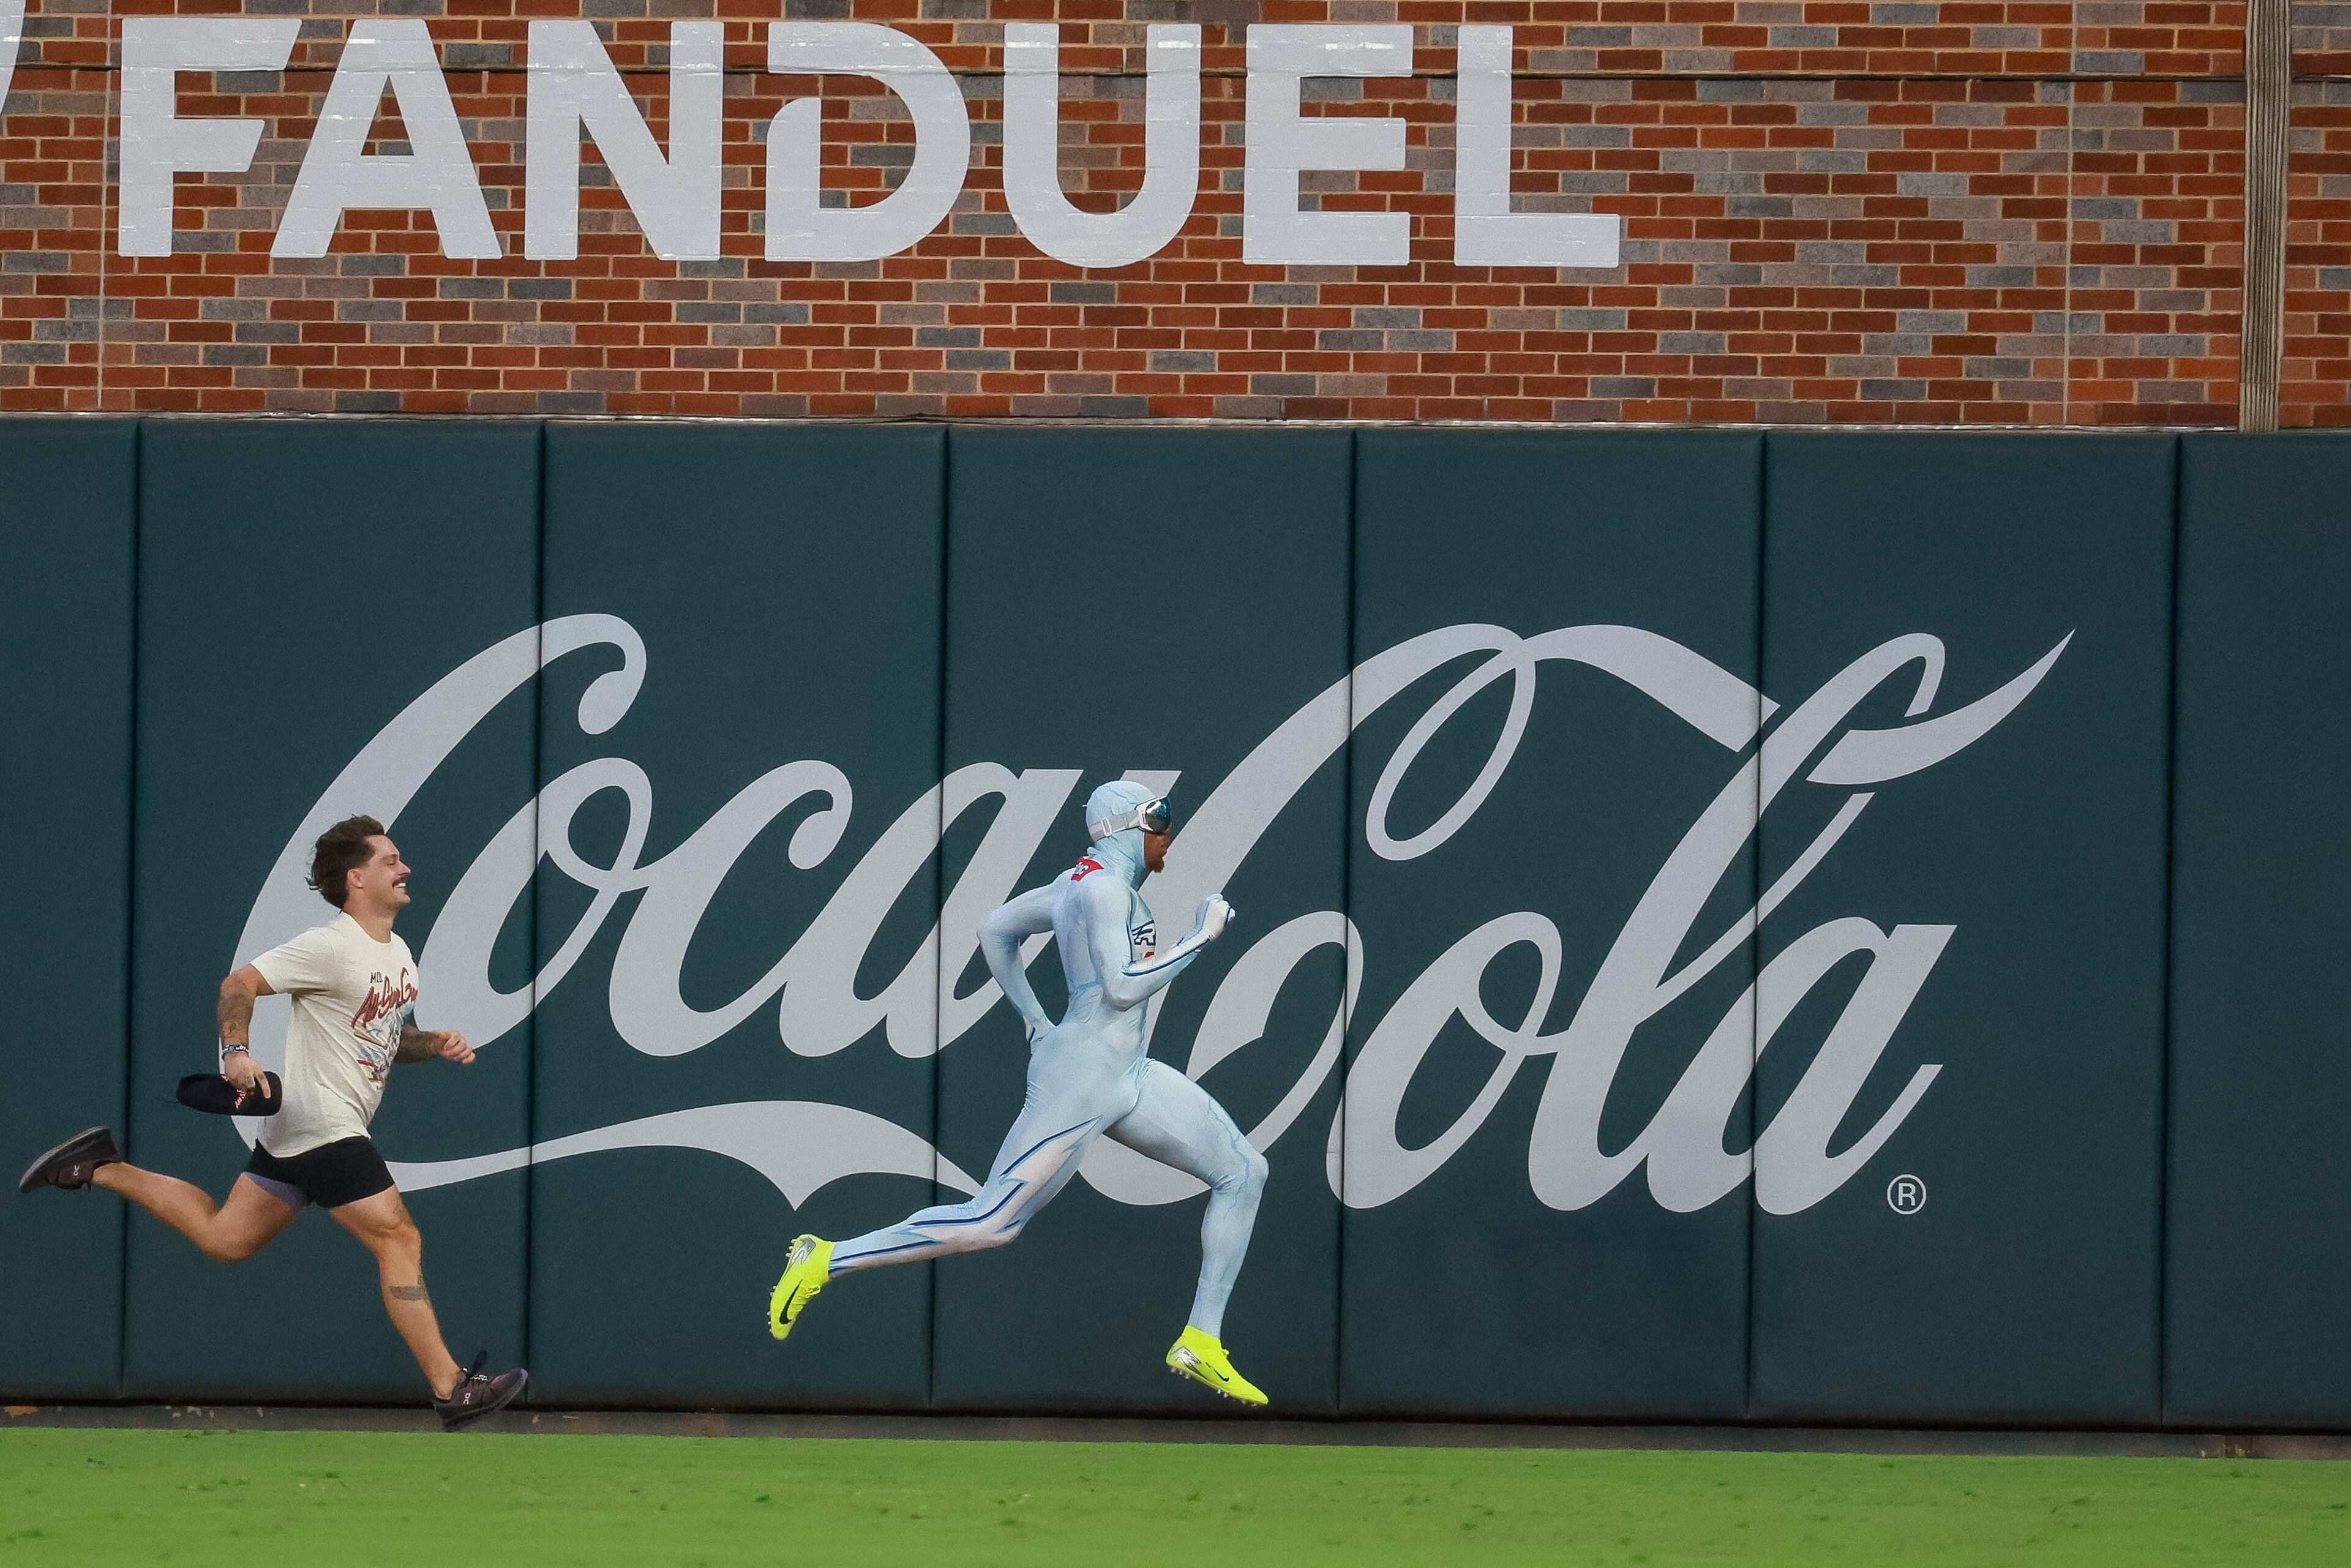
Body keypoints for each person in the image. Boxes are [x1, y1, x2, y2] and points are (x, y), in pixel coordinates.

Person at [765, 781, 1273, 1404]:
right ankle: (825, 1257)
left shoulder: (1074, 883)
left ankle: (1201, 1338)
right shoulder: (1102, 887)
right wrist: (1200, 937)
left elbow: (994, 929)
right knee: (991, 1221)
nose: (1165, 831)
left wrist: (1033, 1020)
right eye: (1156, 819)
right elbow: (1119, 988)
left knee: (1245, 1170)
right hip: (1082, 1076)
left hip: (1127, 1072)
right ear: (1123, 826)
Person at [18, 815, 528, 1431]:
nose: (404, 867)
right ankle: (451, 1387)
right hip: (323, 1122)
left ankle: (99, 1165)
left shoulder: (397, 954)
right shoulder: (330, 944)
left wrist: (431, 1043)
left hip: (297, 1130)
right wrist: (235, 1051)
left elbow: (385, 1040)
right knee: (399, 1238)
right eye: (390, 860)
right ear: (356, 877)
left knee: (225, 1238)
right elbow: (240, 984)